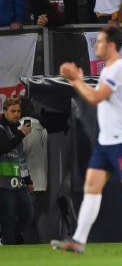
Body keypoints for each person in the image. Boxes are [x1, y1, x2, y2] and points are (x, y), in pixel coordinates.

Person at [50, 26, 122, 253]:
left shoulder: (119, 69)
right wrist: (78, 81)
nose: (95, 45)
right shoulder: (109, 69)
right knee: (92, 186)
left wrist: (75, 80)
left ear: (110, 45)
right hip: (106, 141)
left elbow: (96, 98)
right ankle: (79, 240)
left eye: (98, 41)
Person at [0, 97, 34, 245]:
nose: (16, 114)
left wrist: (28, 180)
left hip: (19, 184)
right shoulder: (1, 128)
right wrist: (21, 134)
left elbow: (20, 158)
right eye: (13, 111)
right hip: (3, 184)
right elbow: (4, 148)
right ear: (4, 111)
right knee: (8, 218)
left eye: (18, 111)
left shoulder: (17, 130)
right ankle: (8, 245)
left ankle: (9, 239)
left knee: (28, 216)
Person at [19, 96, 49, 243]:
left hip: (26, 183)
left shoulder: (23, 126)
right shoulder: (42, 128)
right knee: (31, 223)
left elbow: (16, 153)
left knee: (24, 224)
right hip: (41, 183)